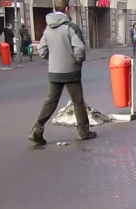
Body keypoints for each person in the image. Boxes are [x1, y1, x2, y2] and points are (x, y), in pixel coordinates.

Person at [28, 0, 97, 145]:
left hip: (54, 71)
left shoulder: (48, 29)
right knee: (78, 102)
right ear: (67, 9)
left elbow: (41, 50)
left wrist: (52, 59)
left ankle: (37, 129)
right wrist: (77, 61)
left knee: (50, 102)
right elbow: (80, 49)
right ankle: (83, 131)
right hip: (71, 70)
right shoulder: (70, 27)